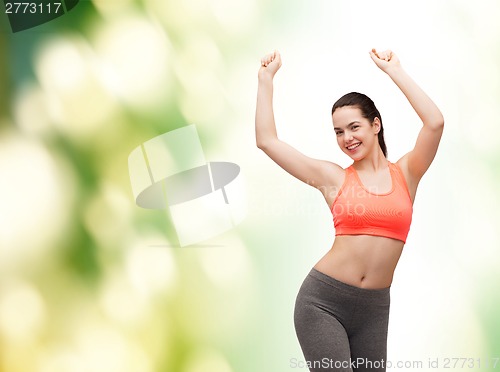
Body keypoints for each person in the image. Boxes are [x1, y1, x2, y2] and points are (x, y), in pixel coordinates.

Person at [255, 49, 444, 372]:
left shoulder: (407, 173)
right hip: (323, 302)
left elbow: (435, 122)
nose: (346, 138)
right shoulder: (334, 178)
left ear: (376, 125)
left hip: (374, 309)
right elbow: (267, 141)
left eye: (354, 127)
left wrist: (395, 71)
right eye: (338, 132)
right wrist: (265, 80)